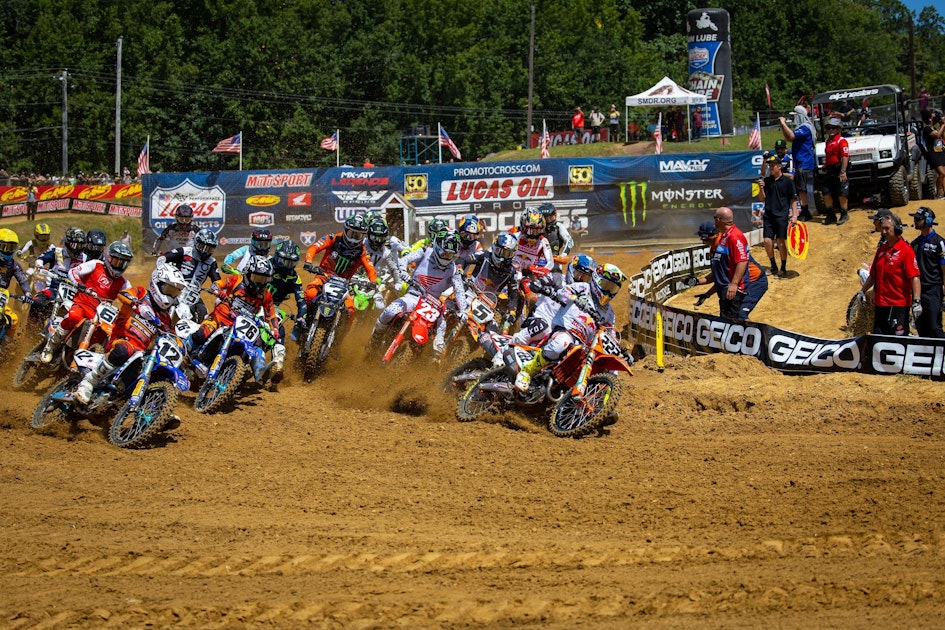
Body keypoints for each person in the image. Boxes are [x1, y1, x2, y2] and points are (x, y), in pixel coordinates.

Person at [73, 264, 187, 404]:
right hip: (121, 340)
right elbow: (123, 295)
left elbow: (170, 335)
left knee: (150, 370)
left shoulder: (165, 318)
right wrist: (136, 303)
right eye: (169, 290)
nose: (170, 296)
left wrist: (181, 348)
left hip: (139, 354)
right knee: (124, 349)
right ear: (157, 283)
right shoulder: (141, 293)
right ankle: (89, 382)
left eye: (174, 293)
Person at [513, 263, 627, 393]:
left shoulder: (610, 313)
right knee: (562, 343)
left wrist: (620, 353)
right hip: (565, 330)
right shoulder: (583, 288)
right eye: (606, 286)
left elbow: (610, 333)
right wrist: (576, 299)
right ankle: (527, 371)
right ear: (596, 279)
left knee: (605, 367)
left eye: (612, 289)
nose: (608, 292)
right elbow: (563, 292)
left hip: (583, 345)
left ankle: (596, 399)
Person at [370, 231, 468, 359]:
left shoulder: (453, 269)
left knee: (442, 327)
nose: (447, 257)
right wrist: (403, 272)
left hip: (433, 304)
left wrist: (463, 310)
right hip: (414, 295)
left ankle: (433, 361)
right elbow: (404, 259)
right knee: (390, 311)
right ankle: (374, 339)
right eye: (445, 252)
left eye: (450, 254)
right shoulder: (424, 251)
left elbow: (459, 290)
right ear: (438, 246)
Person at [40, 241, 134, 364]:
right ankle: (51, 346)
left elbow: (131, 297)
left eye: (124, 263)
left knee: (106, 334)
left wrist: (135, 304)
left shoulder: (124, 282)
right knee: (74, 316)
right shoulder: (96, 264)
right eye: (117, 261)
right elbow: (73, 272)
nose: (120, 266)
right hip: (82, 304)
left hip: (99, 315)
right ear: (108, 257)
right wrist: (79, 283)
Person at [302, 214, 377, 316]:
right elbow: (314, 247)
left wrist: (373, 281)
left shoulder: (362, 251)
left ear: (363, 235)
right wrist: (308, 262)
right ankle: (302, 318)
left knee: (351, 310)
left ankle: (341, 327)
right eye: (351, 233)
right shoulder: (334, 238)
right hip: (324, 276)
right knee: (310, 294)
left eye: (358, 235)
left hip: (344, 283)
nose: (353, 238)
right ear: (345, 230)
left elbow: (370, 268)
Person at [691, 221, 768, 321]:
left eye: (704, 238)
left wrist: (734, 284)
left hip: (754, 282)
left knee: (740, 314)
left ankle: (751, 331)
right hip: (738, 283)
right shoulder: (714, 249)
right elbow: (720, 277)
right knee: (728, 316)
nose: (702, 241)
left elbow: (737, 266)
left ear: (713, 236)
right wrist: (701, 286)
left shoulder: (727, 246)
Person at [859, 215, 920, 336]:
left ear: (897, 229)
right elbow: (873, 275)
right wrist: (862, 291)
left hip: (898, 304)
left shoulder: (906, 250)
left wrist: (917, 301)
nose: (883, 232)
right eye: (882, 228)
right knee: (879, 339)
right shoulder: (881, 249)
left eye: (887, 228)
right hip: (881, 303)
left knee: (897, 341)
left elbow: (915, 277)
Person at [156, 227, 221, 322]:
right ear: (196, 243)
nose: (204, 251)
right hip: (176, 289)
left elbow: (217, 281)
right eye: (202, 247)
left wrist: (216, 289)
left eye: (209, 249)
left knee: (203, 314)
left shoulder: (212, 262)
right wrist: (163, 271)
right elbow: (163, 258)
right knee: (163, 303)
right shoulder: (185, 251)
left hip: (193, 295)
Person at [758, 154, 799, 277]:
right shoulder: (767, 181)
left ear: (779, 167)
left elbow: (793, 200)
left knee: (781, 242)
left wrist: (795, 215)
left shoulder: (787, 182)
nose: (771, 167)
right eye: (770, 165)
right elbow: (762, 199)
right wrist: (761, 188)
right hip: (769, 215)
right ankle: (773, 265)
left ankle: (783, 267)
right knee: (767, 241)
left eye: (773, 165)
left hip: (781, 216)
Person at [909, 207, 945, 338]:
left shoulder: (939, 242)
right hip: (918, 291)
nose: (915, 221)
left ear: (929, 221)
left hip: (933, 290)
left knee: (934, 327)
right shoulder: (915, 243)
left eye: (918, 219)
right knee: (921, 327)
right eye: (915, 219)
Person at [709, 207, 749, 321]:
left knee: (731, 322)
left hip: (732, 290)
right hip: (725, 288)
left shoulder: (734, 236)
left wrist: (734, 284)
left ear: (718, 220)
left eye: (715, 218)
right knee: (727, 320)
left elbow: (742, 260)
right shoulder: (725, 235)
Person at [779, 106, 816, 221]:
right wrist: (783, 126)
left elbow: (791, 136)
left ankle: (806, 211)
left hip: (804, 161)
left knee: (802, 188)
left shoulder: (805, 127)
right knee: (799, 188)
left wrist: (783, 123)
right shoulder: (801, 128)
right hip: (799, 161)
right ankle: (804, 210)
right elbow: (788, 137)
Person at [267, 240, 307, 342]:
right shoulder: (264, 265)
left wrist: (301, 318)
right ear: (276, 256)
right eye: (282, 261)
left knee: (280, 330)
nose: (285, 266)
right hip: (251, 302)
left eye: (289, 263)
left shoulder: (294, 278)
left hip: (271, 308)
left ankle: (278, 353)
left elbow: (302, 302)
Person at [820, 117, 850, 225]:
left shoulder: (842, 141)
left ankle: (844, 214)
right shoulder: (828, 141)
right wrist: (825, 165)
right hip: (830, 169)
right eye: (829, 128)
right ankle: (831, 215)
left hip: (839, 169)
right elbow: (829, 156)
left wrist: (843, 171)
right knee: (826, 192)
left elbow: (845, 156)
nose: (831, 130)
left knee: (842, 193)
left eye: (833, 128)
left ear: (838, 129)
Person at [537, 202, 574, 267]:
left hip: (554, 263)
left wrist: (564, 254)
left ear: (555, 215)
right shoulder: (536, 228)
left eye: (550, 217)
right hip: (537, 262)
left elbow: (570, 241)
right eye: (545, 218)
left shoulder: (559, 226)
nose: (548, 220)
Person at [919, 108, 945, 199]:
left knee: (944, 174)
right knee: (941, 174)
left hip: (940, 152)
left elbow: (942, 137)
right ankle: (938, 193)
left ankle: (944, 193)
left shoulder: (934, 128)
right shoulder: (927, 129)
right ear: (929, 119)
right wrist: (943, 125)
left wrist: (941, 125)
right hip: (933, 154)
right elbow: (937, 135)